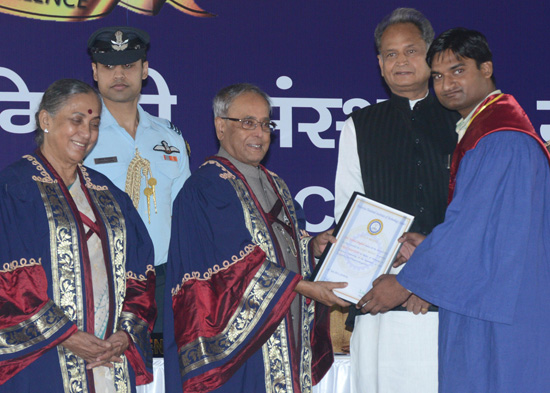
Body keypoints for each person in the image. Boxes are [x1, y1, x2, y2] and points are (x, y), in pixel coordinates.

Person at [360, 28, 550, 392]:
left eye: (458, 71)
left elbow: (470, 230)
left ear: (486, 68)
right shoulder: (486, 130)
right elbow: (491, 226)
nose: (446, 84)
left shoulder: (501, 138)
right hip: (494, 297)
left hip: (500, 310)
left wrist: (404, 282)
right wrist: (431, 242)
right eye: (437, 76)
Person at [163, 83, 349, 393]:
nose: (260, 133)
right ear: (221, 127)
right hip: (240, 352)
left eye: (265, 124)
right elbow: (235, 265)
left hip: (285, 333)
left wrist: (312, 247)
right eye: (247, 122)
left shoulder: (275, 182)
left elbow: (285, 245)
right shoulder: (207, 187)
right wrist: (304, 287)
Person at [0, 79, 156, 392]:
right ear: (46, 120)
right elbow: (11, 280)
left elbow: (140, 271)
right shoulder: (14, 190)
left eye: (94, 124)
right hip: (42, 358)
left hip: (109, 359)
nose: (86, 134)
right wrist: (66, 335)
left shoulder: (108, 194)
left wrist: (125, 333)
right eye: (77, 120)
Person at [334, 8, 458, 393]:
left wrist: (425, 279)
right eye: (390, 54)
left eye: (410, 51)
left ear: (432, 55)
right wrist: (401, 276)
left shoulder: (464, 120)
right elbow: (349, 214)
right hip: (381, 299)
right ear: (379, 64)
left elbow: (478, 218)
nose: (400, 61)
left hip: (452, 302)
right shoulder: (360, 126)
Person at [84, 26, 191, 335]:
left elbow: (183, 211)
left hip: (163, 277)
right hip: (102, 274)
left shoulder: (169, 136)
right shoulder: (80, 135)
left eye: (129, 65)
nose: (119, 74)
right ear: (95, 71)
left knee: (161, 373)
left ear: (144, 70)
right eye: (108, 66)